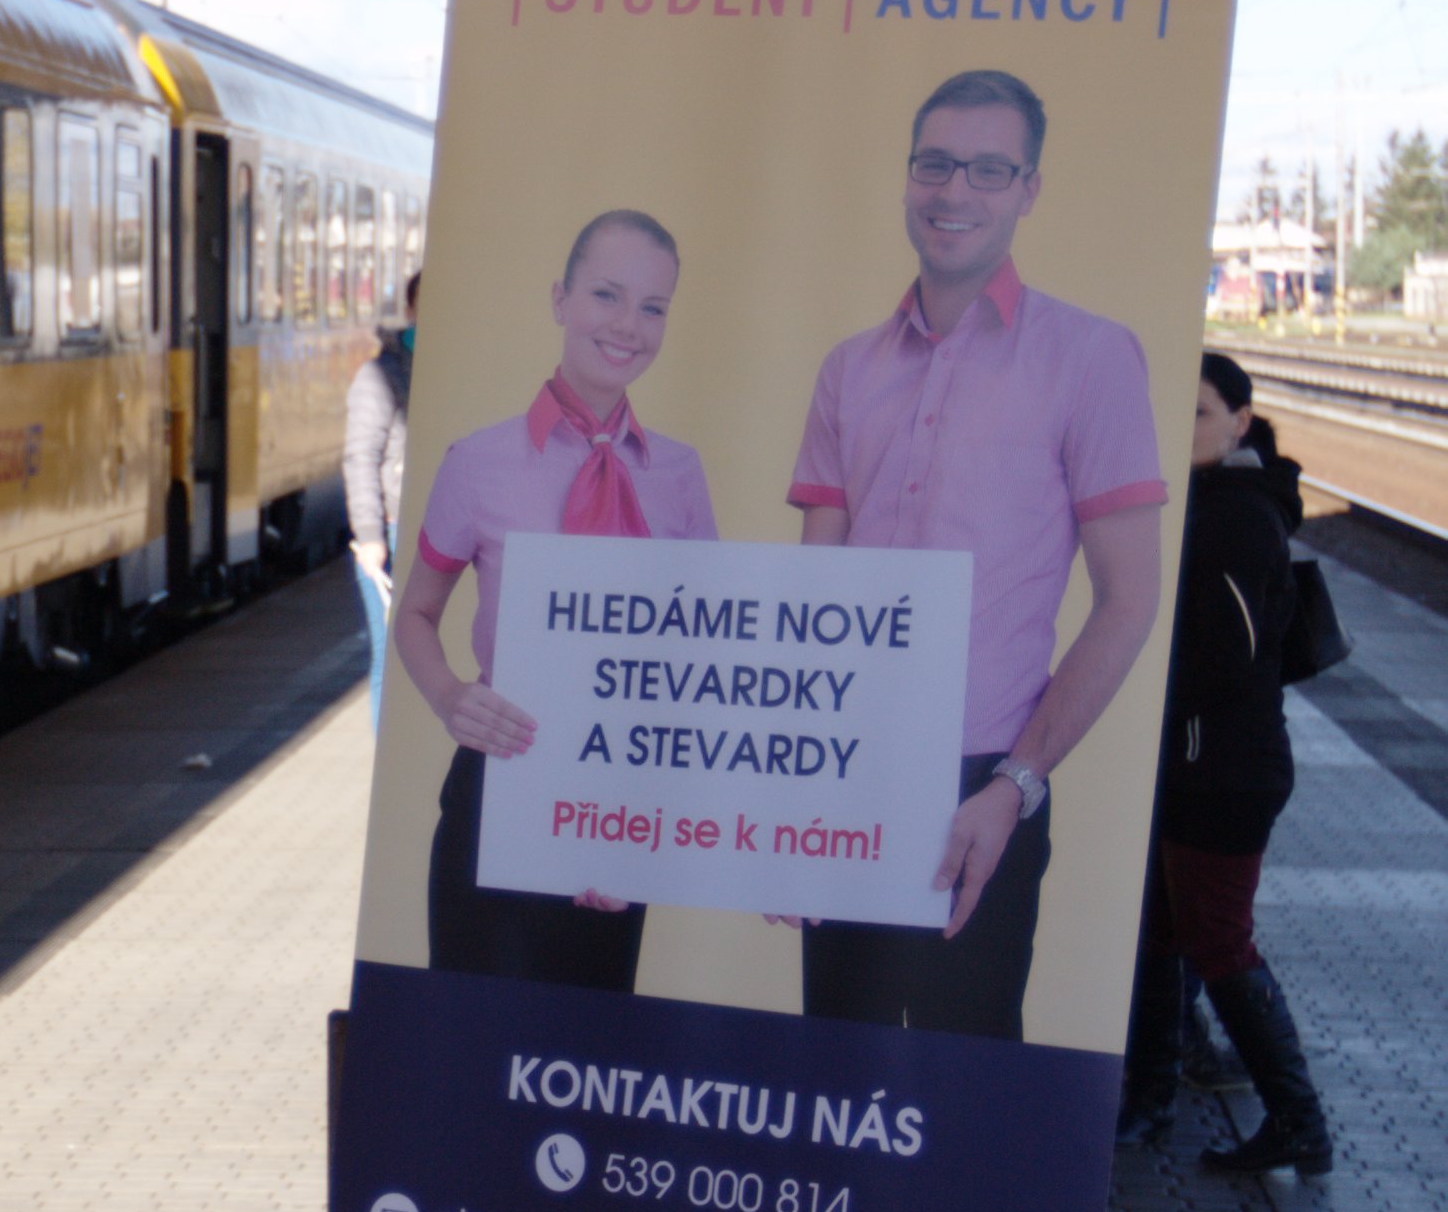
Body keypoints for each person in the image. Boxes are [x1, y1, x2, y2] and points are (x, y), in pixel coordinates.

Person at [785, 71, 1164, 1039]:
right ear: (907, 176)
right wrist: (790, 794)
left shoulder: (1092, 357)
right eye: (936, 164)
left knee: (965, 1079)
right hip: (846, 769)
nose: (955, 190)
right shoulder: (846, 369)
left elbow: (1128, 601)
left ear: (1029, 189)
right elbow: (813, 598)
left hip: (984, 783)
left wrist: (1015, 786)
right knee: (838, 1069)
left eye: (989, 170)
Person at [395, 209, 717, 991]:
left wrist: (644, 831)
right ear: (559, 300)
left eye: (653, 307)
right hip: (501, 786)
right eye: (607, 295)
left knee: (585, 1050)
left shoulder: (680, 476)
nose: (629, 325)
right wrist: (449, 696)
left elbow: (704, 658)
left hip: (621, 802)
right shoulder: (478, 463)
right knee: (476, 1042)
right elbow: (416, 614)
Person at [1117, 350, 1332, 1177]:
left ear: (1240, 422)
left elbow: (1229, 660)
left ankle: (1299, 1122)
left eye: (1200, 413)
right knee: (1162, 935)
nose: (1184, 428)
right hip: (1194, 765)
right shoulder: (1204, 500)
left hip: (1226, 773)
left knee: (1218, 941)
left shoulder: (1239, 514)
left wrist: (1141, 701)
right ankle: (1150, 1103)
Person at [343, 270, 417, 722]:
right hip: (392, 532)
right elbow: (361, 456)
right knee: (390, 660)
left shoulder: (460, 372)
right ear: (410, 310)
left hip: (437, 531)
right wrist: (370, 535)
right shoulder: (379, 376)